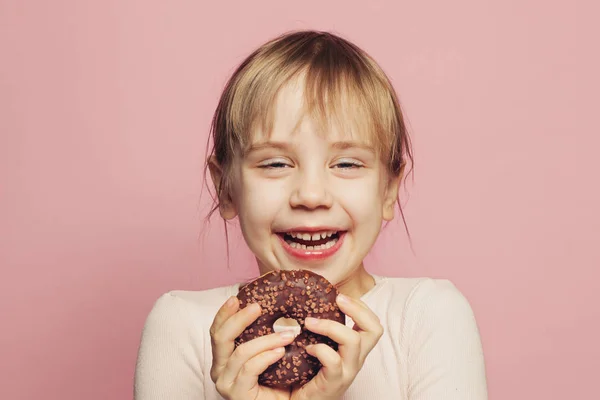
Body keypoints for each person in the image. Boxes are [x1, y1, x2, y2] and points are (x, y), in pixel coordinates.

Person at [134, 30, 488, 400]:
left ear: (388, 189)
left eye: (347, 163)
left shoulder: (427, 316)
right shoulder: (181, 324)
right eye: (275, 163)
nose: (311, 195)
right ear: (225, 188)